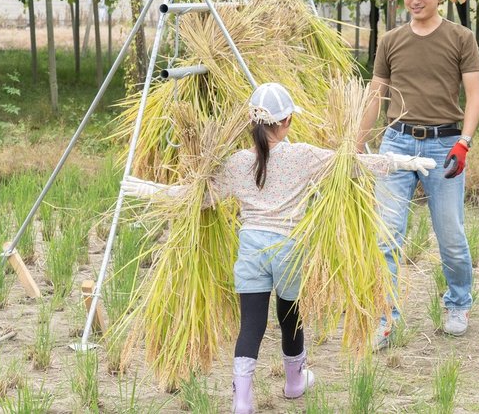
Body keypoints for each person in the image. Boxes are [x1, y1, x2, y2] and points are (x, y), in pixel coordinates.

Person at [122, 82, 436, 414]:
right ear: (286, 122)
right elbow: (353, 163)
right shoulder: (302, 156)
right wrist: (404, 163)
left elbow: (196, 198)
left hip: (252, 252)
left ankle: (242, 400)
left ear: (251, 121)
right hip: (289, 250)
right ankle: (294, 382)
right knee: (290, 319)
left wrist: (148, 189)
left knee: (251, 326)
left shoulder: (237, 162)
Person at [357, 0, 479, 347]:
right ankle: (385, 317)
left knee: (450, 235)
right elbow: (376, 93)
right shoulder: (391, 40)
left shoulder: (460, 38)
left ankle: (458, 302)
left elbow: (474, 95)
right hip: (396, 142)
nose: (415, 0)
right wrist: (355, 142)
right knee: (386, 236)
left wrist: (464, 142)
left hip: (444, 144)